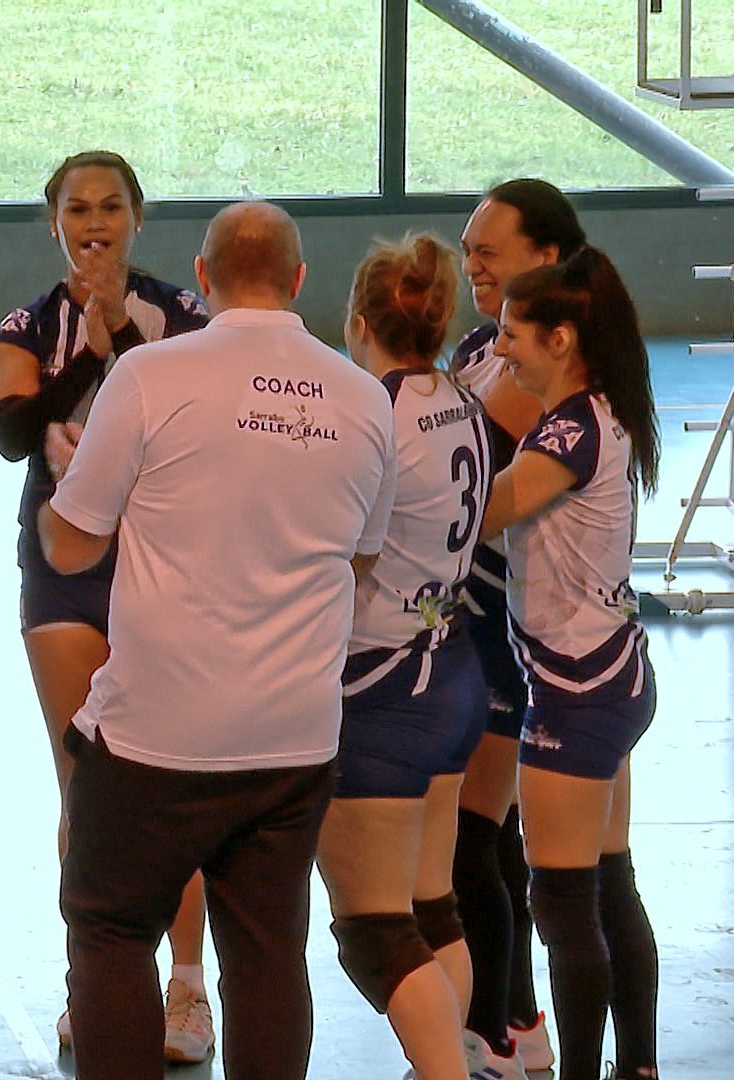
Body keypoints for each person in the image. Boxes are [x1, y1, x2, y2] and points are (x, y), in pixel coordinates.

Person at [38, 202, 396, 1080]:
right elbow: (363, 559)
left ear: (202, 279)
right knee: (269, 954)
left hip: (159, 733)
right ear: (300, 281)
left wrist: (64, 480)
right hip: (294, 737)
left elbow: (71, 543)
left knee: (112, 930)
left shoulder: (151, 375)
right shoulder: (362, 397)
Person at [0, 149, 214, 1059]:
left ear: (136, 217)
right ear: (54, 221)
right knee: (85, 775)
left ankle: (188, 992)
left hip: (169, 567)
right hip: (63, 569)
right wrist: (88, 348)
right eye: (77, 206)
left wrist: (122, 329)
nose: (94, 220)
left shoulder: (185, 313)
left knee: (181, 777)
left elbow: (183, 417)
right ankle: (98, 981)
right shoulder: (26, 322)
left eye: (110, 205)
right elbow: (9, 435)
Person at [318, 234, 500, 1080]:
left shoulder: (372, 413)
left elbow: (334, 547)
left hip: (385, 680)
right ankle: (446, 1056)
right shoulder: (457, 393)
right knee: (433, 906)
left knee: (371, 930)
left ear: (360, 322)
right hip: (452, 667)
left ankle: (443, 1071)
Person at [478, 247, 661, 1080]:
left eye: (512, 333)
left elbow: (482, 515)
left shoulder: (565, 432)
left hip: (575, 691)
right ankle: (641, 1068)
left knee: (560, 901)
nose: (500, 346)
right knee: (609, 883)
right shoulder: (606, 408)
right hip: (617, 671)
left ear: (560, 338)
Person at [451, 178, 588, 1072]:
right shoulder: (485, 347)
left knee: (471, 835)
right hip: (464, 621)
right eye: (465, 253)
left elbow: (445, 451)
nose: (471, 269)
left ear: (546, 259)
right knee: (490, 834)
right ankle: (522, 1022)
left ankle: (492, 1034)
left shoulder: (549, 369)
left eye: (487, 253)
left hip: (511, 631)